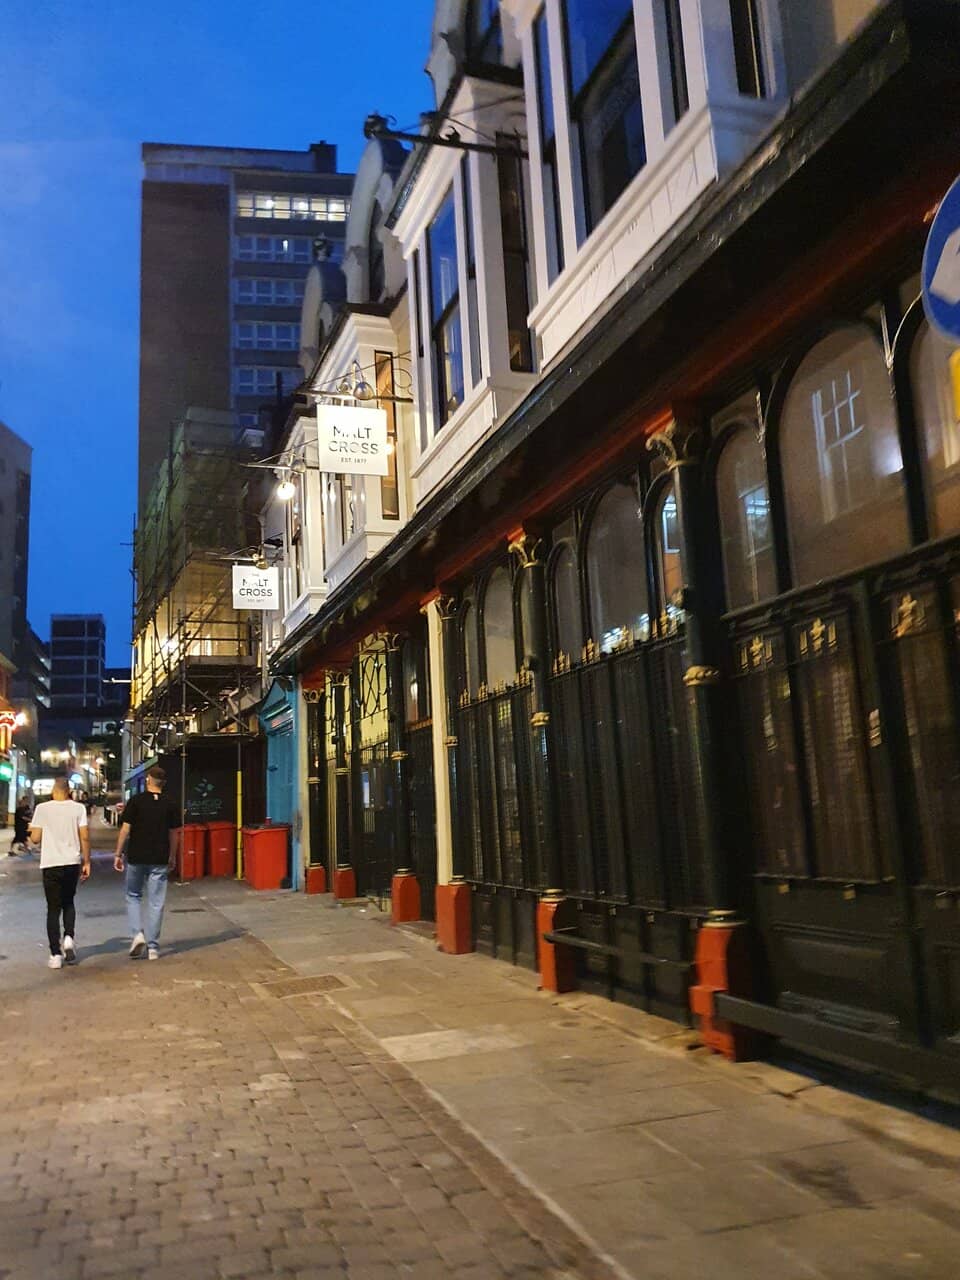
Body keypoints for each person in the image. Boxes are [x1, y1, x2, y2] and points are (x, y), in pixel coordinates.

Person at [113, 766, 179, 960]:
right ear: (163, 783)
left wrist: (118, 854)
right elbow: (174, 834)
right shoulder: (170, 803)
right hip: (159, 858)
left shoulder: (136, 802)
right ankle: (153, 948)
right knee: (156, 901)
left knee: (133, 895)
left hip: (136, 856)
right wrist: (173, 856)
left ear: (149, 780)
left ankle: (137, 934)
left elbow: (125, 830)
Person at [29, 778, 91, 969]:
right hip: (71, 862)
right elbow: (85, 836)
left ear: (53, 790)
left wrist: (32, 831)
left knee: (53, 908)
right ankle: (69, 938)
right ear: (69, 790)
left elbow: (36, 839)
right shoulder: (78, 808)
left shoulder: (42, 809)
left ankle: (55, 954)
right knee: (68, 902)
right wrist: (87, 861)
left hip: (50, 863)